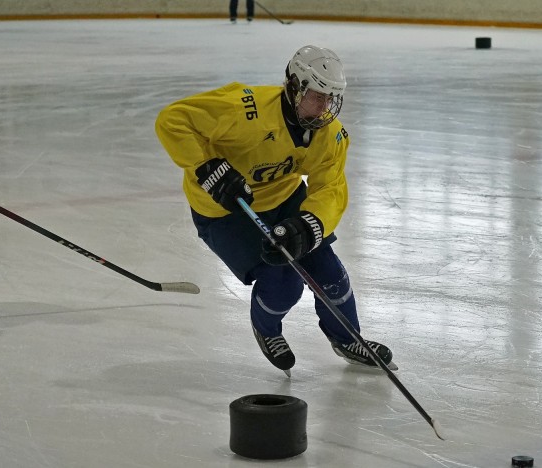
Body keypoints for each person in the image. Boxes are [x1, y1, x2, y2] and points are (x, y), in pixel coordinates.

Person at [155, 45, 395, 375]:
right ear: (294, 87)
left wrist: (312, 223)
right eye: (317, 95)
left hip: (285, 197)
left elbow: (330, 188)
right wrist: (206, 166)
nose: (325, 107)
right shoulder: (242, 108)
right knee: (282, 282)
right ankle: (267, 329)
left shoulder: (330, 135)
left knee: (327, 269)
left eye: (332, 98)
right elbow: (173, 119)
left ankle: (349, 338)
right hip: (226, 209)